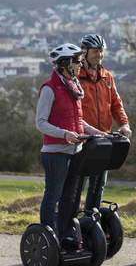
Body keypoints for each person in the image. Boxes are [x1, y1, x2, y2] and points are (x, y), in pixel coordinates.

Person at [36, 43, 104, 235]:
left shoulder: (73, 87)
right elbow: (40, 123)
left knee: (69, 198)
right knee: (53, 196)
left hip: (75, 152)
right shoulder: (49, 89)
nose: (80, 64)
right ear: (65, 64)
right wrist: (64, 134)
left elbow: (78, 120)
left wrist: (95, 132)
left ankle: (64, 235)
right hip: (55, 154)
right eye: (77, 61)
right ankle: (48, 236)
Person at [79, 33, 132, 210]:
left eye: (101, 51)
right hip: (83, 137)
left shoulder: (107, 77)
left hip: (104, 138)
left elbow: (116, 104)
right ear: (85, 52)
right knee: (78, 182)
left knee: (99, 183)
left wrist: (124, 124)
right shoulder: (77, 76)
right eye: (95, 51)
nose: (99, 54)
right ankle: (70, 221)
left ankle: (91, 217)